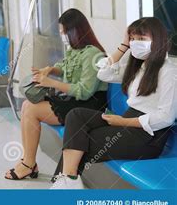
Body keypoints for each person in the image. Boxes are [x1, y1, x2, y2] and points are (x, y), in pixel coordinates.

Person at [51, 17, 177, 189]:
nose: (135, 43)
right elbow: (103, 73)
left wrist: (123, 122)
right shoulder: (138, 66)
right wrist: (124, 46)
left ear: (158, 39)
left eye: (141, 39)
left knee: (79, 140)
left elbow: (166, 118)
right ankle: (69, 180)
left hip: (147, 137)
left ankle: (65, 184)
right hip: (126, 122)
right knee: (76, 116)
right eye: (132, 39)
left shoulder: (169, 72)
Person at [4, 8, 108, 181]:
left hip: (89, 105)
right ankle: (28, 161)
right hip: (74, 100)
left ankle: (28, 165)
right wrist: (51, 69)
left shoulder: (94, 55)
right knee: (26, 105)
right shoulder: (75, 50)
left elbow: (84, 91)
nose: (62, 36)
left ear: (75, 30)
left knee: (31, 109)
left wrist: (51, 82)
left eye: (64, 32)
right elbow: (66, 67)